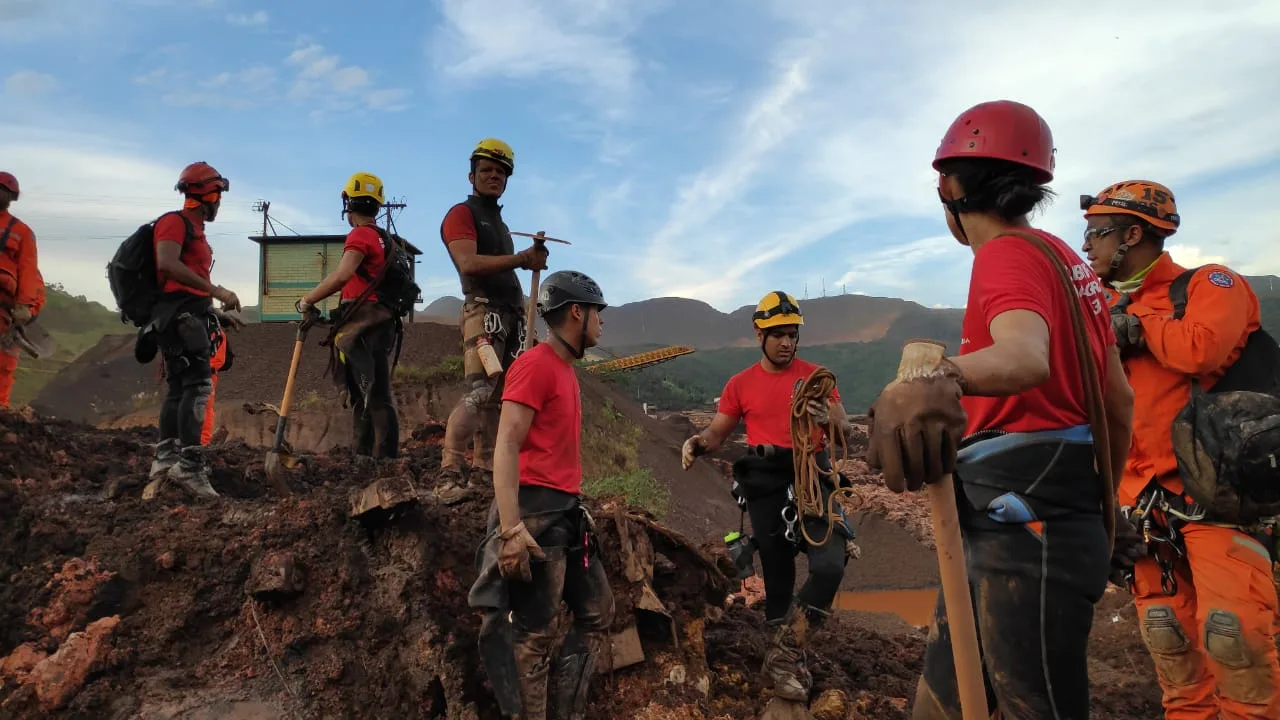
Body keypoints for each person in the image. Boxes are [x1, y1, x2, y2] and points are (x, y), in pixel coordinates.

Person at [864, 100, 1135, 719]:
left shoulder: (1004, 255)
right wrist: (1101, 506)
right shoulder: (1067, 261)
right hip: (1039, 515)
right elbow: (1117, 399)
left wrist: (939, 376)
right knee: (946, 700)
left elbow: (1024, 355)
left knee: (1029, 706)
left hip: (1023, 523)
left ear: (948, 186)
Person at [1083, 180, 1280, 718]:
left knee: (1234, 639)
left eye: (1095, 234)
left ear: (1132, 235)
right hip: (1140, 504)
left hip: (1214, 497)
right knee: (1170, 646)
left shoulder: (1211, 285)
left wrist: (1136, 324)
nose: (1086, 247)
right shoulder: (1103, 311)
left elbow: (1202, 349)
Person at [679, 290, 858, 703]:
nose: (786, 342)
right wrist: (697, 444)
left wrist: (826, 416)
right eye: (777, 334)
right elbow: (718, 432)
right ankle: (785, 664)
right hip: (767, 481)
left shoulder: (817, 378)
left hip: (814, 474)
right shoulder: (740, 384)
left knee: (830, 566)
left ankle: (787, 651)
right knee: (778, 580)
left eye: (792, 334)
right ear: (760, 335)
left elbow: (842, 429)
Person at [465, 270, 613, 720]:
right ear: (576, 312)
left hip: (565, 513)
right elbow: (506, 444)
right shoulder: (535, 365)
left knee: (597, 613)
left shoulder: (565, 370)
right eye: (597, 315)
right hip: (535, 517)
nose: (601, 325)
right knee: (535, 634)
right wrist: (510, 529)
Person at [434, 138, 550, 504]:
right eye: (487, 170)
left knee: (503, 399)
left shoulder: (497, 222)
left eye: (501, 172)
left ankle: (485, 472)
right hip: (484, 316)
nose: (494, 176)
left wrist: (528, 263)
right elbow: (468, 263)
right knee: (481, 393)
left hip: (510, 318)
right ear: (472, 175)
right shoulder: (461, 215)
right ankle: (449, 472)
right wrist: (521, 259)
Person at [143, 162, 241, 500]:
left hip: (189, 316)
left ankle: (166, 459)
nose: (219, 203)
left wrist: (213, 312)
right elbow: (167, 265)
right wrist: (219, 293)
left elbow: (186, 282)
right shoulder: (175, 223)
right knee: (196, 388)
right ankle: (189, 466)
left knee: (179, 388)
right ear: (209, 195)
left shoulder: (194, 229)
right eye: (218, 196)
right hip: (179, 319)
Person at [295, 172, 400, 459]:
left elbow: (342, 276)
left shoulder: (360, 235)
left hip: (363, 326)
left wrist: (307, 299)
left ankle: (375, 459)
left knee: (369, 395)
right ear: (377, 205)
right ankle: (369, 456)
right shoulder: (385, 238)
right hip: (379, 323)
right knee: (371, 394)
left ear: (348, 204)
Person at [0, 170, 45, 410]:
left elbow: (28, 270)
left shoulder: (22, 232)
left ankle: (1, 409)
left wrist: (24, 305)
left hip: (5, 306)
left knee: (5, 360)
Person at [199, 312, 242, 445]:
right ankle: (196, 440)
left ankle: (203, 442)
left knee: (205, 408)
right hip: (202, 375)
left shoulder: (217, 336)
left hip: (206, 376)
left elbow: (219, 360)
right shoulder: (213, 334)